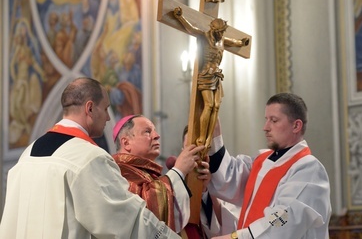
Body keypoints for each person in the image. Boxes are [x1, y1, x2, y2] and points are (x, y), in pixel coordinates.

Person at [0, 77, 180, 239]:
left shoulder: (27, 155)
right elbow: (128, 222)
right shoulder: (89, 157)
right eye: (106, 108)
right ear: (90, 108)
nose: (109, 117)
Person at [207, 92, 332, 239]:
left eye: (274, 120)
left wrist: (234, 237)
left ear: (296, 125)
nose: (265, 127)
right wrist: (215, 137)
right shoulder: (262, 161)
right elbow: (230, 179)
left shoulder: (308, 169)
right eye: (266, 119)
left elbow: (284, 221)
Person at [112, 115, 206, 233]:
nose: (157, 135)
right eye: (147, 132)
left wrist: (198, 184)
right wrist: (178, 171)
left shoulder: (146, 173)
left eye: (155, 131)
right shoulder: (119, 172)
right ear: (126, 143)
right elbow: (146, 212)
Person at [173, 6, 249, 151]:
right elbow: (191, 28)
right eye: (218, 31)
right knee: (208, 105)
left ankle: (208, 138)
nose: (220, 34)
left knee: (216, 106)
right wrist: (179, 17)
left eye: (222, 32)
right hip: (206, 74)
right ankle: (202, 137)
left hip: (216, 75)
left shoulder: (222, 41)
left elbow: (234, 42)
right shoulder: (204, 36)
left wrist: (242, 42)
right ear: (212, 29)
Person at [179, 126, 240, 238]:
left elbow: (230, 229)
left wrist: (206, 192)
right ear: (182, 152)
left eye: (200, 149)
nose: (196, 154)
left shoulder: (228, 180)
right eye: (190, 149)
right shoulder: (174, 184)